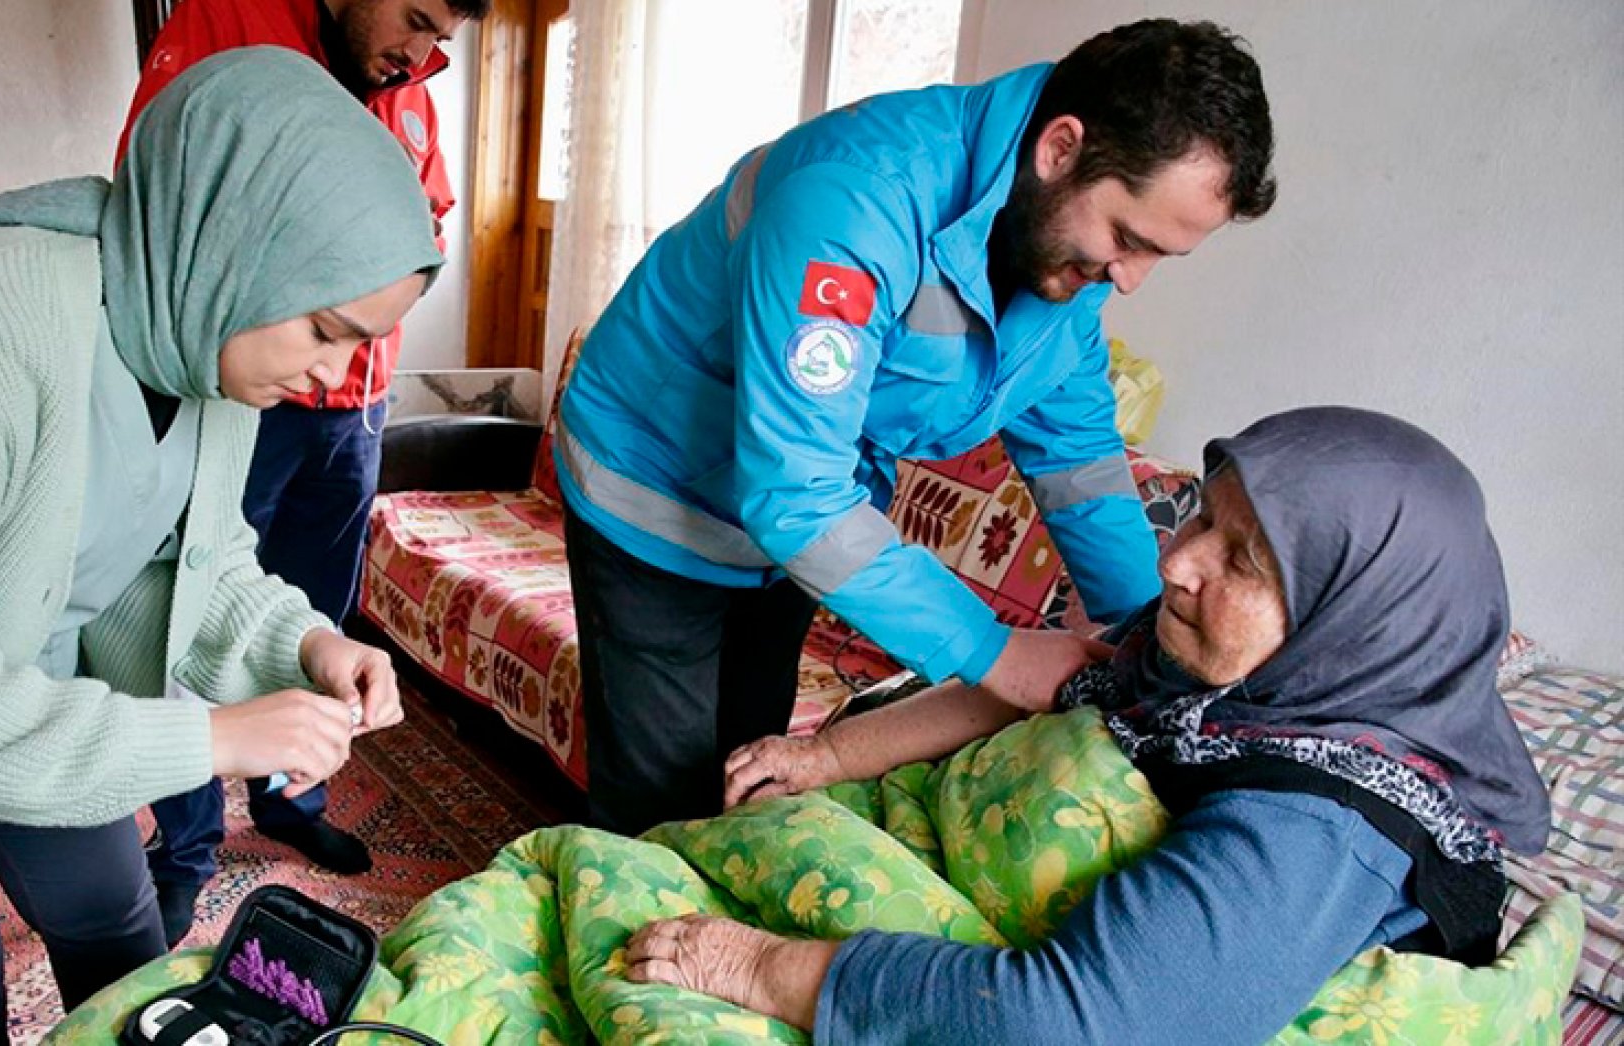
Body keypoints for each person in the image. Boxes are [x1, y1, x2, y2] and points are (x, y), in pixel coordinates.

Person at [0, 49, 440, 1043]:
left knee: (112, 905)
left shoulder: (196, 337)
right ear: (229, 245)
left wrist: (311, 646)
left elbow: (189, 558)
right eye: (325, 328)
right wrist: (210, 739)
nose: (330, 376)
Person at [622, 406, 1554, 1044]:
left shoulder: (1320, 828)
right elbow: (1035, 685)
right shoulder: (1208, 664)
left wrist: (760, 968)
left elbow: (1067, 1025)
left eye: (1246, 560)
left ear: (1354, 621)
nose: (1179, 564)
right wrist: (824, 753)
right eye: (1199, 517)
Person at [555, 19, 1279, 836]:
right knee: (662, 804)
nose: (1129, 280)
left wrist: (1147, 638)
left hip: (789, 529)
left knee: (741, 765)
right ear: (1060, 149)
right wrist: (996, 653)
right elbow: (794, 490)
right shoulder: (854, 198)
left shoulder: (1061, 262)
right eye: (1125, 239)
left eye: (1157, 257)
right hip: (654, 487)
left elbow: (1076, 458)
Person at [119, 0, 488, 924]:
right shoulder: (226, 25)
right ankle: (190, 839)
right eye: (414, 19)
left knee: (314, 618)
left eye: (441, 37)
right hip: (246, 398)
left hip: (357, 406)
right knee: (189, 601)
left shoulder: (408, 92)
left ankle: (292, 797)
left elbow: (418, 231)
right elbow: (163, 200)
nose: (421, 52)